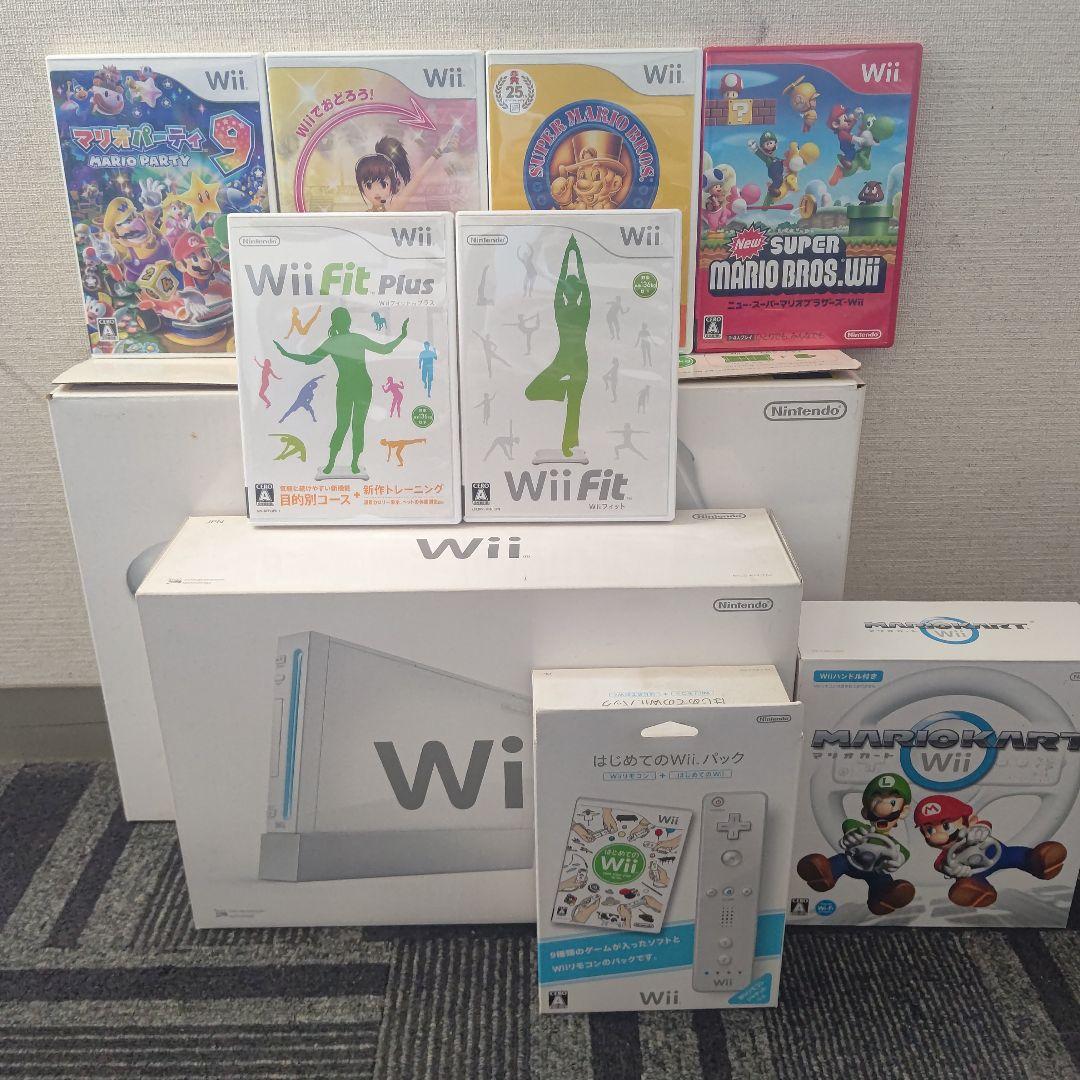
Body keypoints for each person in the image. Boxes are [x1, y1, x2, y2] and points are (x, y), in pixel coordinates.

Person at [275, 307, 409, 477]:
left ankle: (334, 463)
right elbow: (385, 349)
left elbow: (309, 360)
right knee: (357, 426)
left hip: (347, 387)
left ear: (335, 323)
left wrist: (286, 354)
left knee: (343, 426)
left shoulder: (332, 342)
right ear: (348, 321)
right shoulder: (354, 339)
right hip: (361, 387)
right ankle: (350, 464)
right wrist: (402, 335)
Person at [524, 235, 590, 460]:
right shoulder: (567, 308)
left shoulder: (578, 309)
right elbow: (564, 283)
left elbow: (579, 283)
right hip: (567, 359)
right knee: (533, 391)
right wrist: (572, 253)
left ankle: (568, 445)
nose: (568, 292)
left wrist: (573, 254)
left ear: (575, 292)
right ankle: (564, 390)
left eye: (572, 290)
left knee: (574, 407)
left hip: (576, 360)